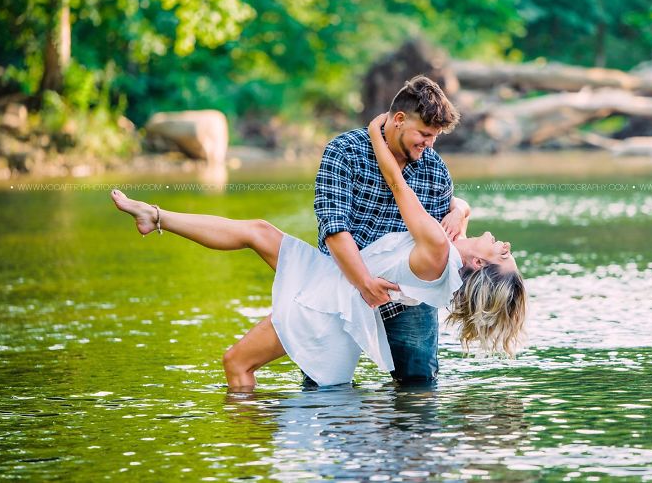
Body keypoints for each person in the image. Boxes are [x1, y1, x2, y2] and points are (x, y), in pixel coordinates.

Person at [110, 115, 526, 391]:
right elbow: (455, 252)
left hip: (330, 300)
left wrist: (375, 133)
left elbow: (400, 189)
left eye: (503, 255)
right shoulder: (449, 249)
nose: (506, 245)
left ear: (478, 264)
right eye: (508, 251)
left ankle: (251, 445)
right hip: (337, 279)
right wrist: (460, 207)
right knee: (258, 231)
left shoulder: (439, 249)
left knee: (237, 362)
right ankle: (156, 215)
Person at [314, 75, 465, 384]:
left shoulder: (434, 167)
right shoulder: (344, 152)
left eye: (435, 136)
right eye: (424, 134)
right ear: (398, 120)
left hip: (407, 293)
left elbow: (440, 244)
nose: (429, 144)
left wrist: (461, 208)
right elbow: (334, 229)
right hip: (344, 280)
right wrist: (364, 283)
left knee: (420, 385)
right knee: (322, 385)